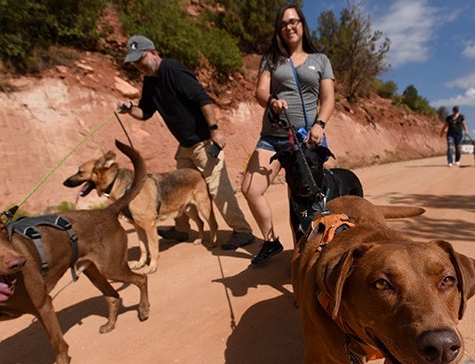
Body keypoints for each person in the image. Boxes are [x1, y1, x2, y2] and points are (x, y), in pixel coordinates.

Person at [120, 35, 255, 251]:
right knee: (178, 188)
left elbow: (202, 99)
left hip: (204, 142)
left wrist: (215, 131)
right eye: (135, 62)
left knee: (219, 189)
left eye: (141, 58)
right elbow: (144, 112)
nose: (139, 65)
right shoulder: (150, 82)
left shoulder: (173, 70)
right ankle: (181, 230)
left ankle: (242, 231)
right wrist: (129, 110)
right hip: (185, 147)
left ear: (153, 52)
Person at [240, 4, 335, 265]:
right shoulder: (272, 59)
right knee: (250, 188)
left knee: (302, 203)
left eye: (293, 21)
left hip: (307, 141)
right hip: (274, 137)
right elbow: (260, 91)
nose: (289, 27)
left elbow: (328, 99)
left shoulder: (320, 60)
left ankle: (302, 258)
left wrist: (320, 124)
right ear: (279, 31)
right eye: (283, 24)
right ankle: (271, 240)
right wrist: (272, 101)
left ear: (302, 25)